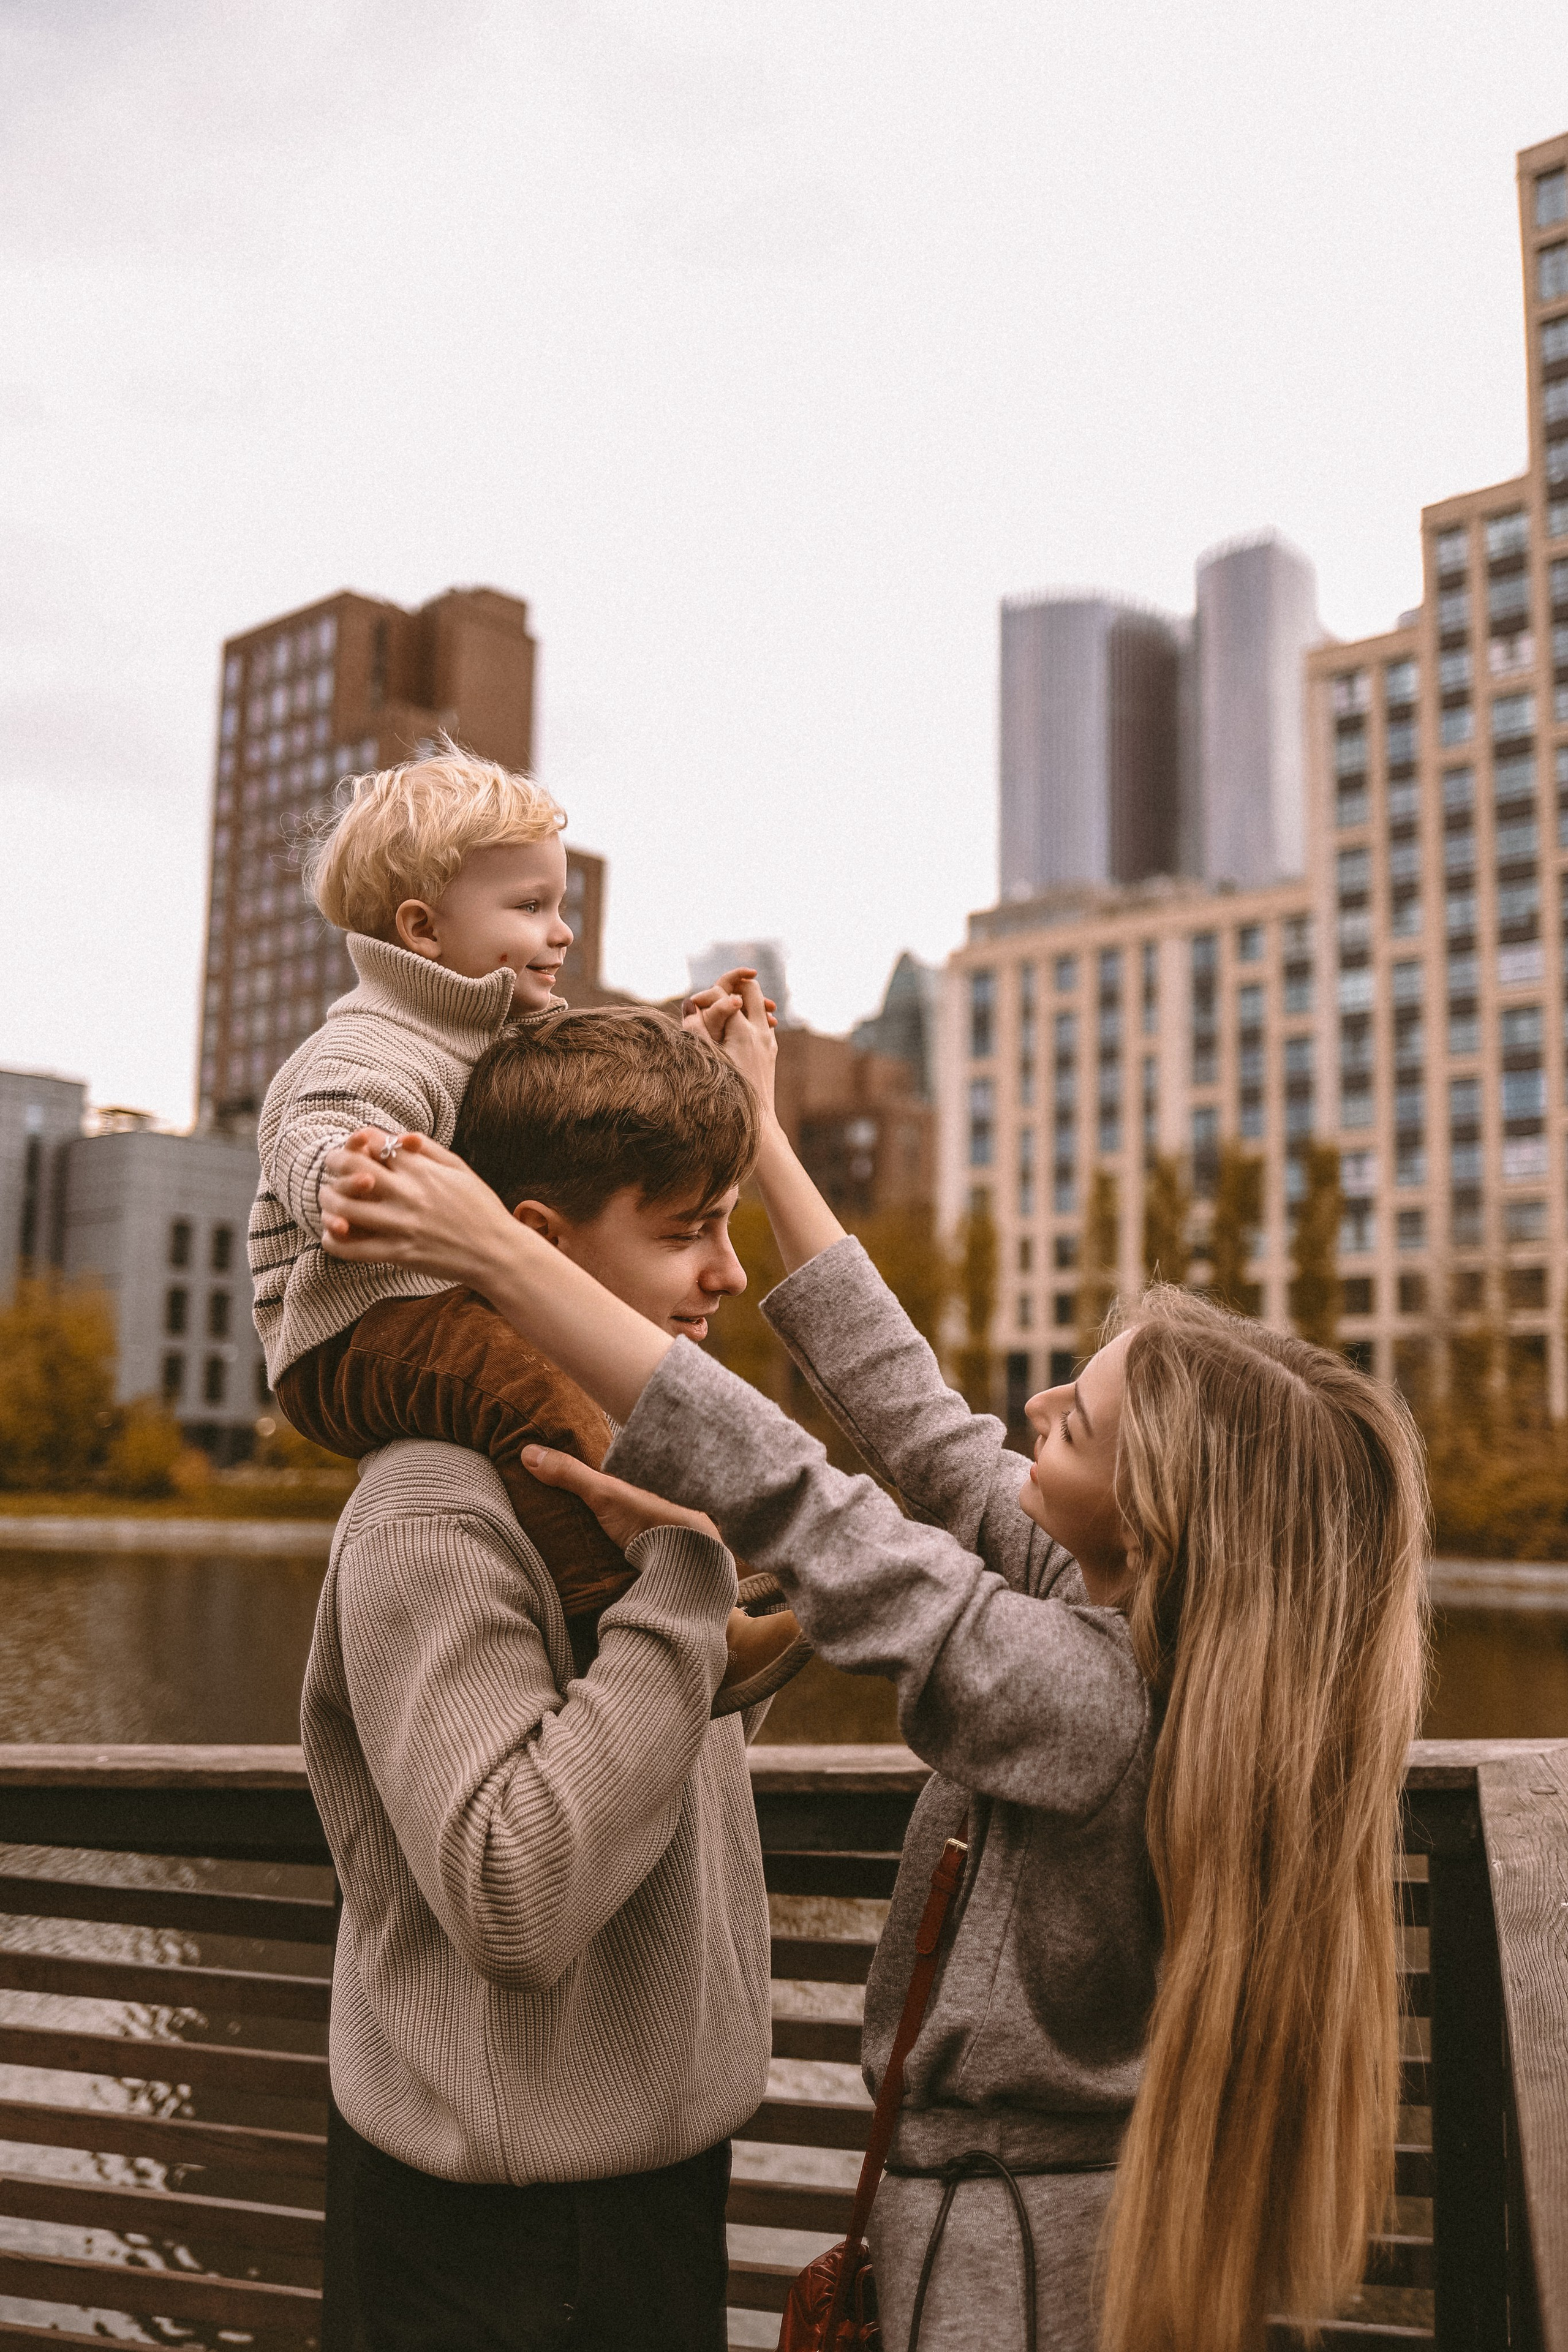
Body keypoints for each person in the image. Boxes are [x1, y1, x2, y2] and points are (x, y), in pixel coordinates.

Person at [318, 970, 1430, 2352]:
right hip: (994, 2218)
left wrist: (499, 1260)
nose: (1027, 1410)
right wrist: (761, 1131)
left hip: (1003, 2263)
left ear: (1147, 1530)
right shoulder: (1169, 1650)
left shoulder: (1085, 1699)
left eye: (1070, 1422)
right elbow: (919, 1430)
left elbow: (809, 1504)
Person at [300, 1007, 797, 2351]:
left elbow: (651, 1731)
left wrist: (805, 1591)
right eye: (686, 1230)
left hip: (646, 2192)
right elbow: (513, 1895)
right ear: (541, 1237)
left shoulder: (625, 1471)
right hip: (497, 2252)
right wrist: (689, 1585)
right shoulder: (436, 1507)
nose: (724, 1274)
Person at [251, 743, 802, 1709]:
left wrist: (686, 1041)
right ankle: (626, 1619)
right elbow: (309, 1123)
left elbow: (578, 1106)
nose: (561, 933)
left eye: (560, 906)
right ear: (424, 930)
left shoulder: (494, 1034)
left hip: (435, 1307)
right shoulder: (377, 1039)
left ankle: (708, 1569)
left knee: (611, 1371)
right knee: (530, 1385)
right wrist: (339, 1169)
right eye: (529, 908)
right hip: (351, 1332)